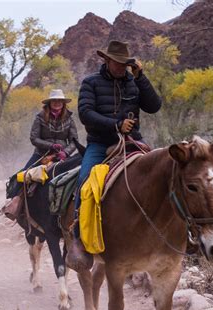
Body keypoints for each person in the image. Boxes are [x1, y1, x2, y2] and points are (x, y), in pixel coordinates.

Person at [65, 40, 162, 272]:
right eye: (117, 63)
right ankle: (79, 237)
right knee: (85, 181)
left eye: (124, 64)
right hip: (100, 143)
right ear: (106, 60)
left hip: (133, 142)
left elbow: (154, 106)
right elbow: (86, 113)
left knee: (161, 173)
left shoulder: (133, 81)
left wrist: (141, 77)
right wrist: (116, 124)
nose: (120, 67)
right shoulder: (91, 83)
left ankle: (167, 232)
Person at [6, 89, 79, 200]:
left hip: (62, 156)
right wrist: (50, 146)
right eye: (54, 100)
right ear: (49, 102)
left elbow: (74, 141)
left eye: (60, 100)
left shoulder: (69, 118)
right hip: (41, 154)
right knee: (23, 176)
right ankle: (14, 204)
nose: (57, 102)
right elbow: (34, 138)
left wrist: (66, 152)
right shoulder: (40, 117)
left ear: (63, 103)